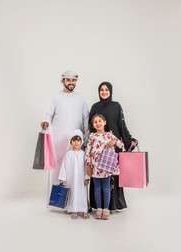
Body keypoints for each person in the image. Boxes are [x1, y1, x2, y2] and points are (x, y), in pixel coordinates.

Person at [88, 82, 138, 212]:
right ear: (98, 92)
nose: (104, 92)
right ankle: (99, 206)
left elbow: (122, 125)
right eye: (101, 90)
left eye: (106, 90)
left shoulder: (116, 106)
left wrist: (129, 140)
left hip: (113, 147)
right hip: (98, 148)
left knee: (112, 176)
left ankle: (112, 205)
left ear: (110, 91)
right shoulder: (95, 107)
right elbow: (90, 127)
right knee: (98, 177)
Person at [41, 70, 89, 205]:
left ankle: (74, 203)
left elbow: (86, 119)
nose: (71, 83)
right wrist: (45, 121)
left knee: (76, 171)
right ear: (63, 81)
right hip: (59, 142)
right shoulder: (56, 97)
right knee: (59, 170)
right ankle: (57, 202)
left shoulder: (81, 98)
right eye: (68, 80)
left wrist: (85, 138)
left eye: (73, 80)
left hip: (76, 142)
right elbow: (48, 114)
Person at [85, 114, 124, 220]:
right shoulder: (92, 137)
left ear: (105, 122)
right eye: (95, 122)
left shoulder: (109, 135)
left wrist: (114, 142)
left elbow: (121, 145)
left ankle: (106, 209)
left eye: (100, 121)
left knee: (106, 188)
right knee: (97, 188)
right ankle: (99, 209)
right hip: (95, 166)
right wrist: (88, 165)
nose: (98, 123)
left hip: (106, 167)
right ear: (93, 125)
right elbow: (87, 152)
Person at [58, 130, 90, 219]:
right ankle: (74, 210)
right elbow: (64, 166)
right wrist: (62, 178)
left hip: (81, 179)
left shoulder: (83, 154)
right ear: (71, 142)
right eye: (74, 140)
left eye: (78, 140)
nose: (76, 142)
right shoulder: (68, 154)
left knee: (82, 194)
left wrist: (87, 177)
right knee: (72, 193)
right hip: (71, 179)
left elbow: (86, 167)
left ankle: (84, 210)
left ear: (81, 141)